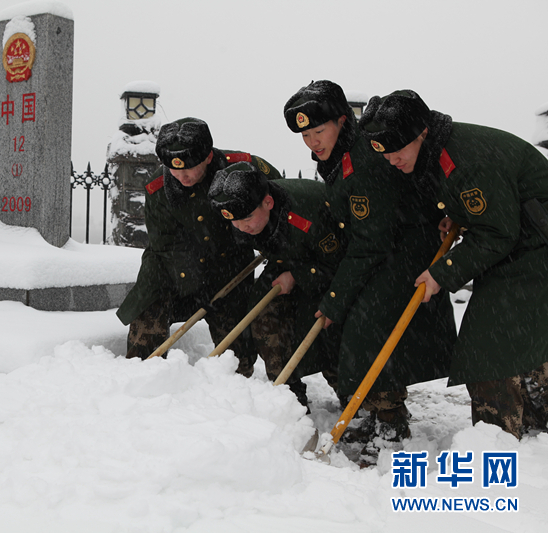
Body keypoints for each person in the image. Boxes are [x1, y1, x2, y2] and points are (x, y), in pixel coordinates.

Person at [358, 89, 548, 439]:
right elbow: (487, 209)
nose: (390, 160)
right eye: (382, 152)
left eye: (395, 150)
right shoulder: (439, 151)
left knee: (489, 346)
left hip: (535, 247)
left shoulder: (466, 160)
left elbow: (496, 233)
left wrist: (441, 273)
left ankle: (496, 442)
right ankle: (534, 417)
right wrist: (458, 216)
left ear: (421, 133)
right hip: (521, 239)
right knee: (513, 335)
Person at [282, 81, 457, 452]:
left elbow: (370, 242)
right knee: (353, 324)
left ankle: (390, 422)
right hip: (385, 244)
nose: (313, 141)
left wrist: (336, 298)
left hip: (407, 247)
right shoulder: (339, 157)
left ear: (342, 121)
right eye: (306, 134)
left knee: (367, 324)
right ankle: (369, 412)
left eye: (319, 130)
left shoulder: (361, 162)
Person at [116, 117, 283, 377]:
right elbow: (165, 245)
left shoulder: (242, 167)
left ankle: (235, 387)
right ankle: (142, 378)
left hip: (230, 266)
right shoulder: (157, 188)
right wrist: (195, 283)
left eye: (188, 168)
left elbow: (276, 195)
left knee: (236, 351)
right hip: (170, 269)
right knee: (147, 318)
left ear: (207, 157)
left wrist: (264, 239)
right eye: (173, 168)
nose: (181, 176)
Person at [208, 161, 345, 407]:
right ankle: (288, 397)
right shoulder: (245, 216)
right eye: (235, 222)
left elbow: (342, 262)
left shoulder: (309, 211)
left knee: (332, 335)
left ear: (268, 202)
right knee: (263, 313)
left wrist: (297, 275)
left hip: (336, 273)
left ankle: (356, 400)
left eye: (247, 218)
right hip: (290, 261)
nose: (242, 227)